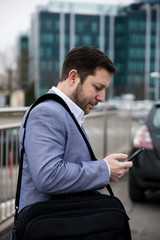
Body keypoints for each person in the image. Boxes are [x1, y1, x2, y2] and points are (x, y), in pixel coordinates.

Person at [19, 46, 132, 212]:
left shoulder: (63, 112)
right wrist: (104, 169)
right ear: (73, 78)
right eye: (97, 87)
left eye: (104, 90)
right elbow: (48, 176)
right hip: (48, 226)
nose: (102, 98)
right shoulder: (47, 112)